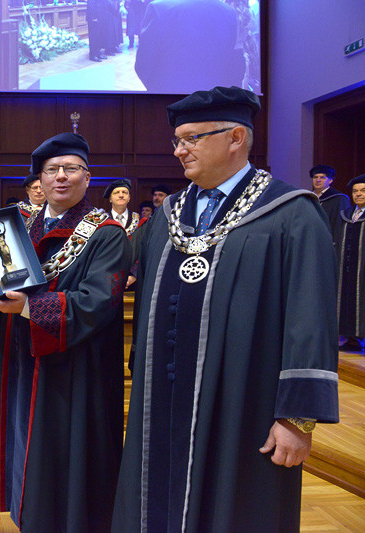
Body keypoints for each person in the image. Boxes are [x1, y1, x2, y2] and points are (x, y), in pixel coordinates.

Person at [113, 86, 339, 532]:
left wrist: (297, 420)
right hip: (162, 400)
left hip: (244, 404)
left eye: (191, 138)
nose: (179, 151)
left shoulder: (290, 214)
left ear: (236, 137)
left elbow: (309, 319)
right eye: (177, 140)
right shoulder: (169, 215)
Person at [0, 133, 131, 532]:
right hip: (22, 360)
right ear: (39, 180)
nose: (61, 177)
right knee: (23, 446)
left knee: (65, 464)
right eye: (51, 170)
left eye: (71, 169)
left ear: (87, 178)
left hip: (75, 370)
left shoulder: (106, 234)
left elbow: (98, 302)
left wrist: (26, 307)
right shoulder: (18, 228)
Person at [134, 0, 245, 93]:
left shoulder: (159, 8)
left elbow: (143, 65)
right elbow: (234, 67)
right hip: (211, 106)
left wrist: (160, 90)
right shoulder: (228, 12)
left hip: (169, 103)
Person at [333, 173, 365, 352]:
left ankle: (360, 337)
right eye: (355, 191)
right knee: (346, 299)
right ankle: (350, 336)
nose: (358, 194)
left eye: (362, 191)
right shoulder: (346, 215)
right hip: (347, 267)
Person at [310, 164, 350, 237]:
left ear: (330, 180)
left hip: (328, 239)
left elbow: (339, 224)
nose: (318, 180)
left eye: (322, 178)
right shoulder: (308, 197)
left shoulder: (339, 198)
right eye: (315, 177)